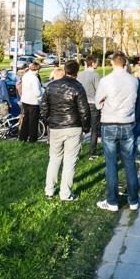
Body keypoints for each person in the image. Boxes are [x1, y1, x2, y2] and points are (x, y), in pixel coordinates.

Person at [95, 52, 140, 212]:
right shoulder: (134, 81)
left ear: (113, 63)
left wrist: (104, 104)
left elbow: (97, 102)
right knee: (129, 163)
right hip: (127, 122)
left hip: (110, 122)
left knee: (111, 164)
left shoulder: (106, 80)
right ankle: (133, 200)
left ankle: (112, 201)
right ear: (125, 63)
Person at [41, 60, 91, 201]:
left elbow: (43, 107)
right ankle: (65, 193)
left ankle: (49, 189)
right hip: (73, 127)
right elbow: (84, 110)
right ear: (77, 71)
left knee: (54, 158)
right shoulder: (78, 87)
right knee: (70, 161)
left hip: (56, 126)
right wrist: (85, 127)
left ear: (65, 69)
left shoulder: (51, 86)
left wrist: (49, 121)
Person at [77, 56, 102, 160]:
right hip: (92, 104)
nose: (98, 64)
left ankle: (76, 152)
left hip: (81, 104)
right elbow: (100, 91)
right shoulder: (95, 75)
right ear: (92, 63)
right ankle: (92, 153)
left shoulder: (79, 75)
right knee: (94, 129)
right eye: (96, 62)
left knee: (80, 129)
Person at [20, 62, 44, 142]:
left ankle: (23, 137)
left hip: (25, 100)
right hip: (33, 102)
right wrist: (41, 97)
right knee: (33, 122)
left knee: (25, 120)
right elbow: (37, 92)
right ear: (36, 69)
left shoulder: (25, 75)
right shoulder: (34, 78)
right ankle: (32, 138)